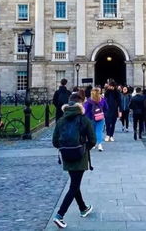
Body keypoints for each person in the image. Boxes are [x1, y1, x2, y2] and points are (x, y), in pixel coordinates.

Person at [52, 93, 96, 229]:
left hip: (66, 155)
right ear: (80, 104)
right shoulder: (84, 120)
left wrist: (66, 148)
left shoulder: (60, 121)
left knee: (74, 183)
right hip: (80, 155)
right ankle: (59, 215)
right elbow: (93, 141)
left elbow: (55, 142)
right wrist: (83, 149)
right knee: (74, 186)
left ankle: (83, 208)